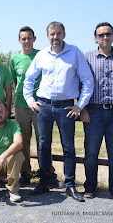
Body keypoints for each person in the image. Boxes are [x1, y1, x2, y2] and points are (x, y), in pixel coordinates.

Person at [23, 21, 94, 202]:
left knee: (68, 147)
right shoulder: (41, 55)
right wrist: (30, 100)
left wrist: (80, 105)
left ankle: (70, 185)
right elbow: (28, 79)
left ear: (64, 34)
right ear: (47, 36)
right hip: (44, 106)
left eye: (59, 34)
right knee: (43, 145)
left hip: (66, 107)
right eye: (52, 34)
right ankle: (44, 182)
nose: (55, 37)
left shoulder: (75, 52)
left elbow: (87, 80)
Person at [81, 22, 113, 203]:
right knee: (91, 152)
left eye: (108, 34)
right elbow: (80, 86)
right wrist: (83, 110)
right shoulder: (87, 58)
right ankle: (90, 187)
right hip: (93, 112)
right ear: (96, 38)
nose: (105, 37)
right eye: (101, 35)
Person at [9, 27, 58, 186]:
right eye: (23, 39)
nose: (26, 41)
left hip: (40, 105)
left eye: (29, 38)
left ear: (34, 38)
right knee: (22, 141)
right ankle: (25, 173)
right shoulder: (15, 59)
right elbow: (15, 82)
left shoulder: (42, 55)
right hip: (21, 105)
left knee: (43, 140)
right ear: (19, 40)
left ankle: (47, 173)